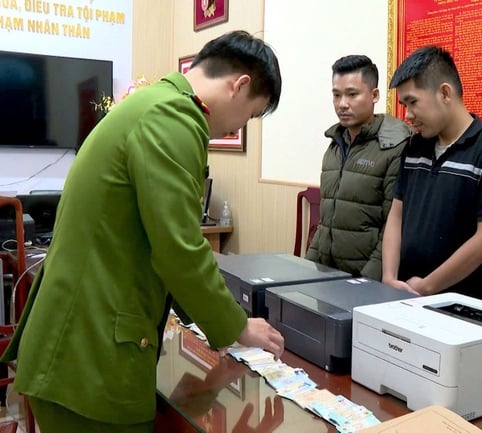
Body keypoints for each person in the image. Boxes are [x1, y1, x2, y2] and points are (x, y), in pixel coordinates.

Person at [1, 30, 285, 432]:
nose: (240, 125)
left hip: (75, 350)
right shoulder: (174, 118)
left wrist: (209, 324)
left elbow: (156, 238)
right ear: (240, 86)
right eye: (251, 115)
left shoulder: (153, 104)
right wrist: (237, 326)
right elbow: (180, 247)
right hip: (89, 360)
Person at [382, 46, 482, 300]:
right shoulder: (414, 146)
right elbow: (396, 215)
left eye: (412, 102)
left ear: (445, 93)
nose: (407, 115)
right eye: (403, 104)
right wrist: (389, 277)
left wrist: (426, 287)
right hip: (404, 295)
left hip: (460, 303)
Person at [305, 55, 412, 280]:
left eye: (352, 94)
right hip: (327, 276)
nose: (342, 104)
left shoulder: (394, 147)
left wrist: (366, 282)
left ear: (374, 95)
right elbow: (325, 221)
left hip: (365, 281)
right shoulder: (335, 144)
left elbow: (392, 227)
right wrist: (306, 271)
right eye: (336, 95)